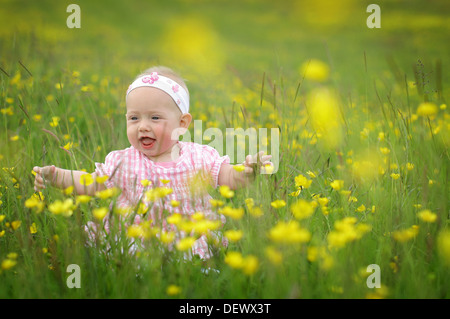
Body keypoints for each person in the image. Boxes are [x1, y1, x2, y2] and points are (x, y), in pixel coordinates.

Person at [33, 66, 272, 259]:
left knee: (196, 253)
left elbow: (227, 176)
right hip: (137, 233)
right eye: (134, 118)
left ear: (182, 123)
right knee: (128, 250)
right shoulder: (123, 161)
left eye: (155, 117)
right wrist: (56, 175)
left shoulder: (198, 156)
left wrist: (247, 171)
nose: (143, 126)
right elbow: (93, 183)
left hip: (188, 234)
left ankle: (191, 272)